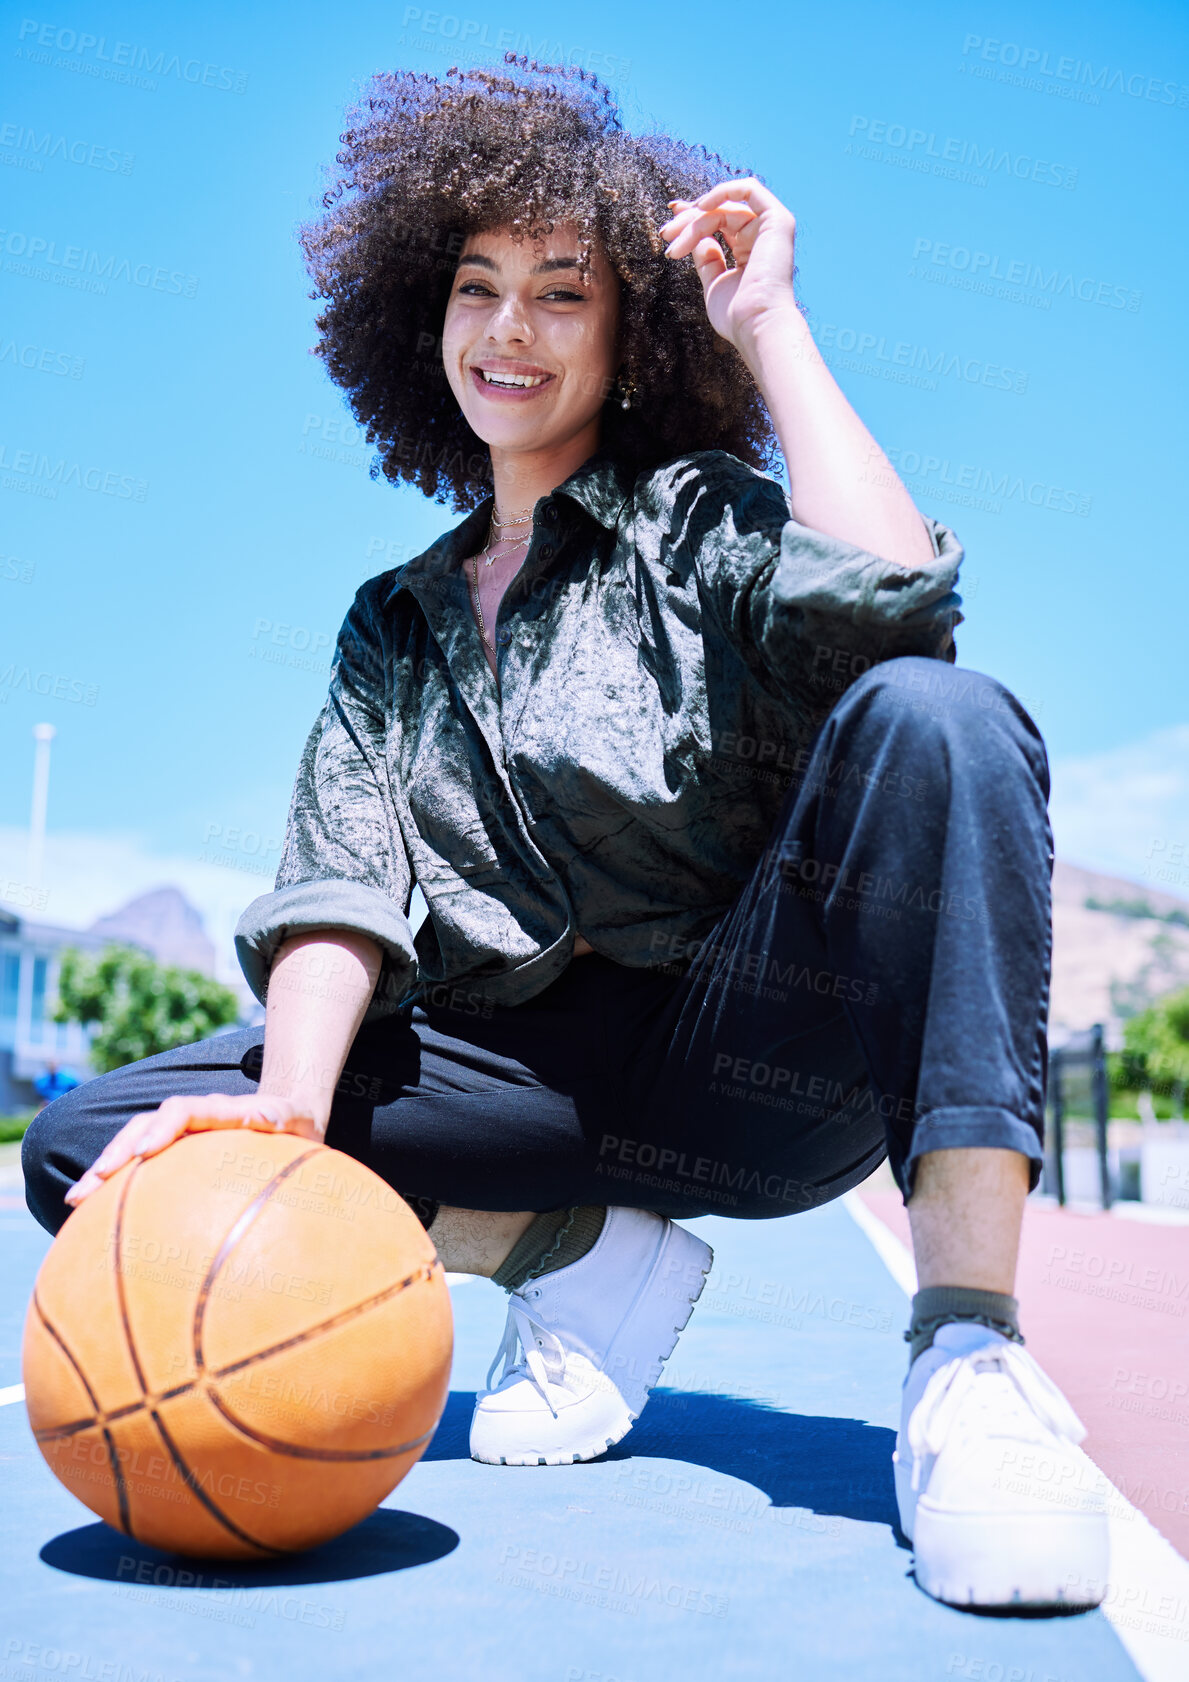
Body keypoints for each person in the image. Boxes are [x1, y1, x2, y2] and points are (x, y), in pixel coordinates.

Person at [23, 56, 1108, 1610]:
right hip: (511, 1087)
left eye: (558, 293)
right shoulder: (390, 620)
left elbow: (899, 615)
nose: (509, 331)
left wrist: (770, 326)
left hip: (751, 1061)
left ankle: (969, 1353)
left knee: (941, 715)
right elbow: (337, 885)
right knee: (96, 1153)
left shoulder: (696, 515)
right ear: (427, 325)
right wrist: (283, 1114)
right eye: (477, 290)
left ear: (625, 339)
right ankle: (572, 1254)